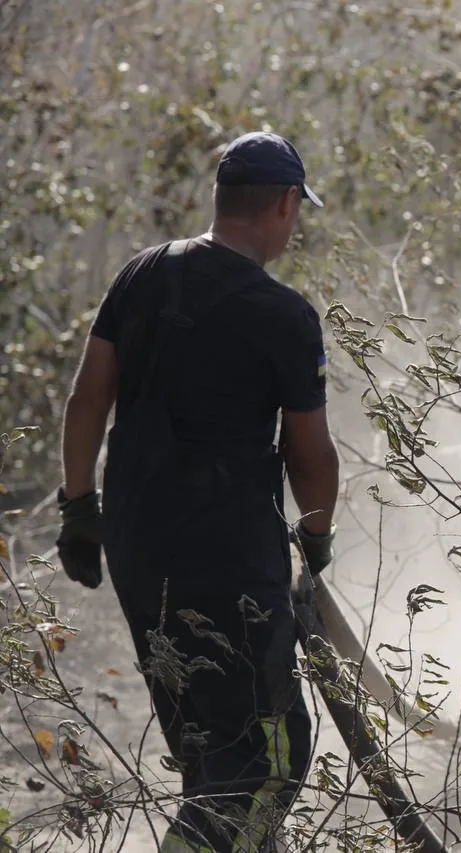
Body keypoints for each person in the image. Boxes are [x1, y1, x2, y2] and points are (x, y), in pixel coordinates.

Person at [54, 130, 341, 851]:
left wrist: (79, 508)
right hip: (228, 563)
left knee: (212, 755)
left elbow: (88, 398)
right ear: (283, 203)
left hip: (136, 546)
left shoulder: (143, 273)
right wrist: (316, 537)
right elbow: (310, 456)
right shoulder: (284, 315)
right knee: (267, 767)